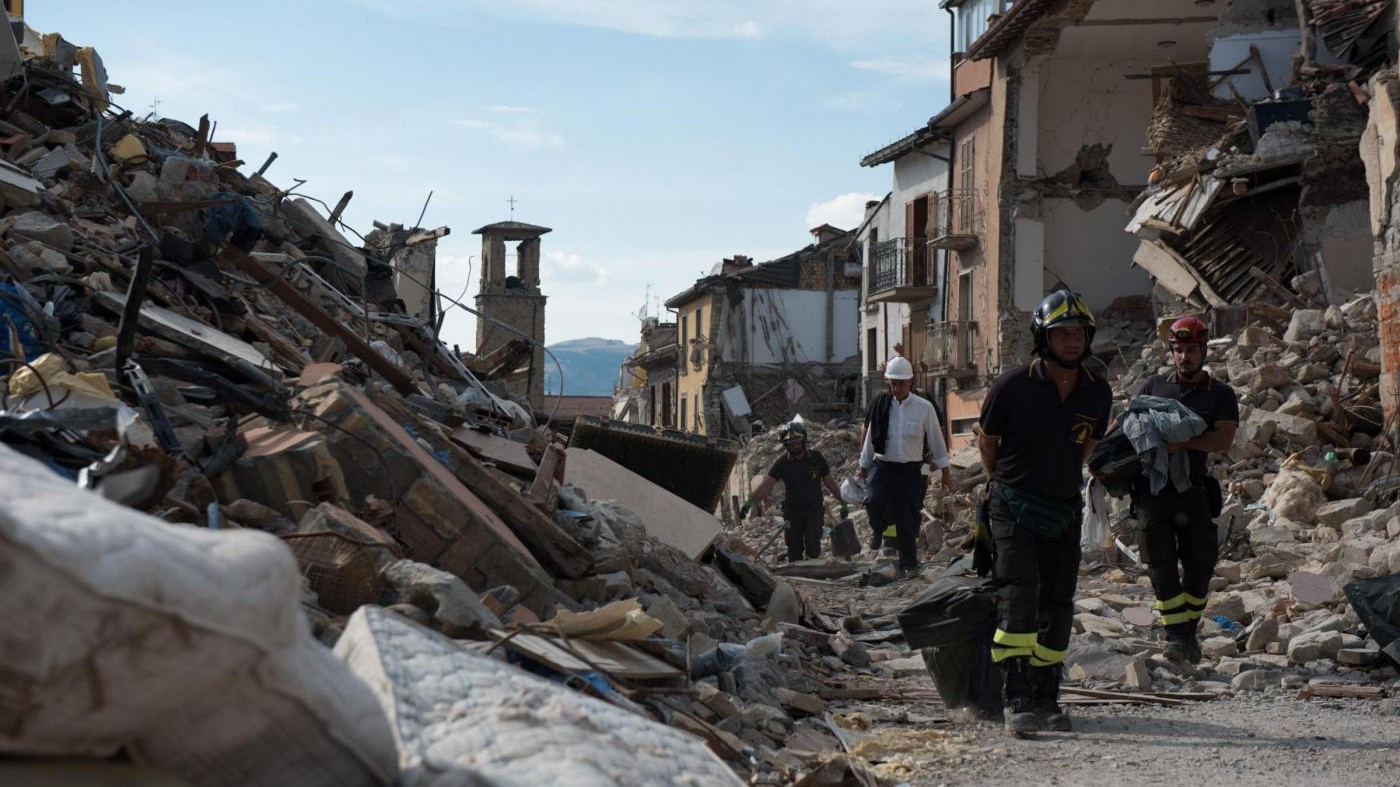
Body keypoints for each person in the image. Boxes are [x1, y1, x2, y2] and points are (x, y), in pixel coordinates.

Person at [977, 289, 1111, 735]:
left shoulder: (1098, 391)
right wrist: (1008, 487)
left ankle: (1046, 696)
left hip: (1063, 508)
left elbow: (1087, 448)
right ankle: (1016, 698)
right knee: (1018, 596)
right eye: (1062, 333)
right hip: (1012, 505)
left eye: (1079, 333)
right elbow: (988, 445)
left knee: (1057, 603)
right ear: (1044, 337)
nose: (1073, 341)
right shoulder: (1010, 387)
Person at [1132, 316, 1238, 664]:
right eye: (1178, 351)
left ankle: (1188, 629)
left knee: (1201, 563)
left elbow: (1223, 439)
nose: (1184, 357)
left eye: (1191, 350)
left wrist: (1184, 442)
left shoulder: (1219, 395)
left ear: (1204, 350)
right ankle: (1175, 636)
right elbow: (1133, 424)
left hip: (1193, 490)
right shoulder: (1154, 387)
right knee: (1160, 566)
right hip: (1153, 492)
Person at [857, 356, 954, 576]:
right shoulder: (881, 405)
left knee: (907, 520)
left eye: (902, 383)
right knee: (873, 500)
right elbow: (871, 437)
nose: (897, 387)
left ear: (910, 382)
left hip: (910, 471)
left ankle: (908, 564)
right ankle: (878, 530)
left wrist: (946, 474)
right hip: (882, 467)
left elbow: (938, 442)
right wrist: (863, 467)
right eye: (893, 383)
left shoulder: (924, 408)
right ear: (887, 382)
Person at [741, 421, 847, 562]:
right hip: (793, 512)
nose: (795, 446)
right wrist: (749, 503)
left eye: (797, 442)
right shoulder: (782, 463)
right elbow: (766, 485)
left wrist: (843, 502)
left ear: (803, 441)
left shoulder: (816, 458)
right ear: (786, 445)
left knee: (813, 544)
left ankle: (811, 569)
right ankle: (796, 574)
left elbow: (829, 482)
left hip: (814, 510)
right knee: (794, 547)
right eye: (791, 444)